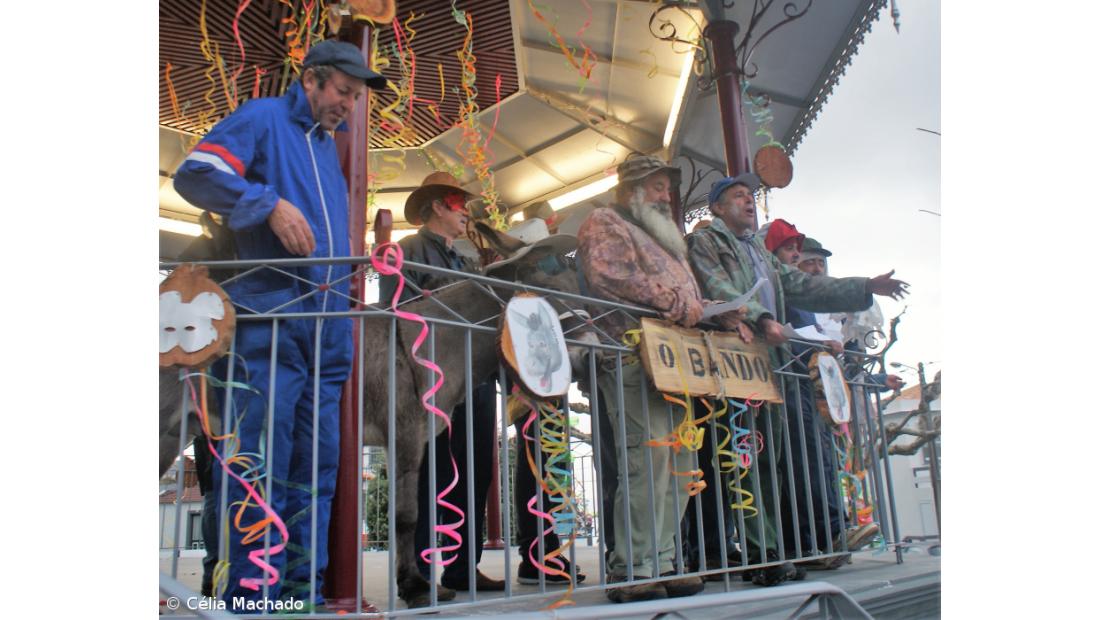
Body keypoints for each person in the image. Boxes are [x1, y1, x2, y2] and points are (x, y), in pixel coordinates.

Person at [173, 40, 387, 612]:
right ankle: (249, 597)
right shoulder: (264, 117)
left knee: (315, 466)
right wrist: (265, 202)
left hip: (325, 326)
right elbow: (197, 172)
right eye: (343, 91)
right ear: (311, 79)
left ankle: (299, 593)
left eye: (356, 97)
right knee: (260, 460)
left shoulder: (327, 148)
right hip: (270, 314)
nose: (349, 105)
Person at [685, 173, 909, 586]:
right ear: (716, 207)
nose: (748, 201)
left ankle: (769, 548)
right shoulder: (708, 241)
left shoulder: (760, 251)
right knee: (743, 454)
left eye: (751, 196)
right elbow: (714, 283)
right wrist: (763, 318)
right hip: (734, 358)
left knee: (772, 459)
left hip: (772, 361)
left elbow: (802, 285)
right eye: (738, 196)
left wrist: (864, 286)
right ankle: (757, 553)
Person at [576, 155, 746, 603]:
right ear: (631, 190)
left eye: (666, 188)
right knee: (644, 462)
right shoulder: (604, 221)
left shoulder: (667, 239)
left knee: (682, 463)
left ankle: (667, 561)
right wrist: (673, 298)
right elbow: (609, 275)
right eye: (655, 187)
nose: (664, 195)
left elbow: (686, 296)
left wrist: (720, 311)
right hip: (634, 354)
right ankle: (634, 567)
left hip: (678, 360)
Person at [377, 172, 506, 596]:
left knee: (475, 471)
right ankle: (416, 570)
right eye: (458, 201)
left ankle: (463, 567)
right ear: (437, 204)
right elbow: (394, 311)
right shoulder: (407, 250)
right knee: (429, 473)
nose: (465, 210)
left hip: (474, 379)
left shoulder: (466, 260)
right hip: (428, 381)